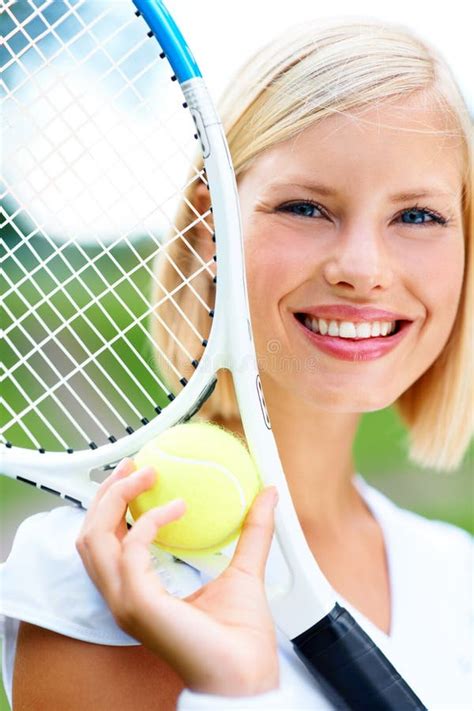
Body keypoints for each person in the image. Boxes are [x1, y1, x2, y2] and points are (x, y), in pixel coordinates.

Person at [1, 17, 472, 711]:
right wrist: (234, 691)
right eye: (307, 207)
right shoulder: (101, 574)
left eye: (419, 217)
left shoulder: (456, 571)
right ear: (210, 229)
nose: (363, 270)